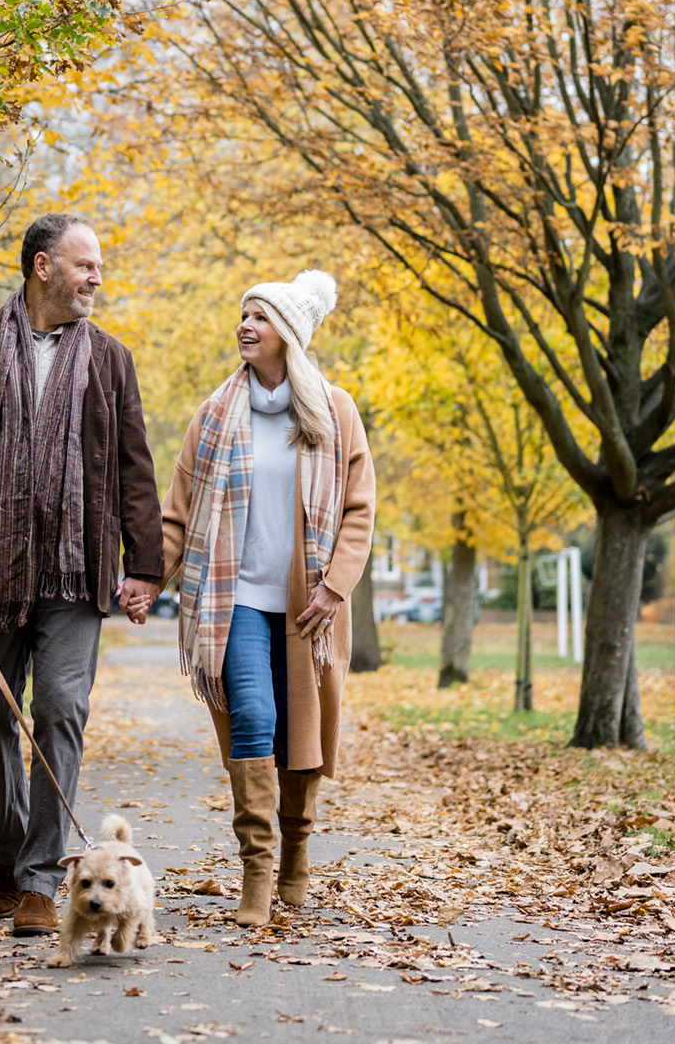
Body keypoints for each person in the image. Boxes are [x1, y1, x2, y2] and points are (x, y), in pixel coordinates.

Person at [0, 214, 165, 937]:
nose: (97, 278)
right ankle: (15, 848)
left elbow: (133, 469)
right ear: (41, 266)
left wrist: (144, 567)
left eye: (100, 268)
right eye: (85, 265)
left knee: (60, 708)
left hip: (75, 571)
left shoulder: (112, 360)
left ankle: (34, 880)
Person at [160, 271, 376, 927]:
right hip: (235, 602)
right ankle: (257, 870)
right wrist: (145, 578)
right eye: (242, 314)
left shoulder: (334, 411)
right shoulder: (215, 414)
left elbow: (358, 509)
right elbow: (179, 513)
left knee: (301, 739)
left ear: (289, 334)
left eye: (259, 316)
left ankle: (297, 857)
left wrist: (336, 586)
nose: (245, 326)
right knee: (253, 717)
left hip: (310, 605)